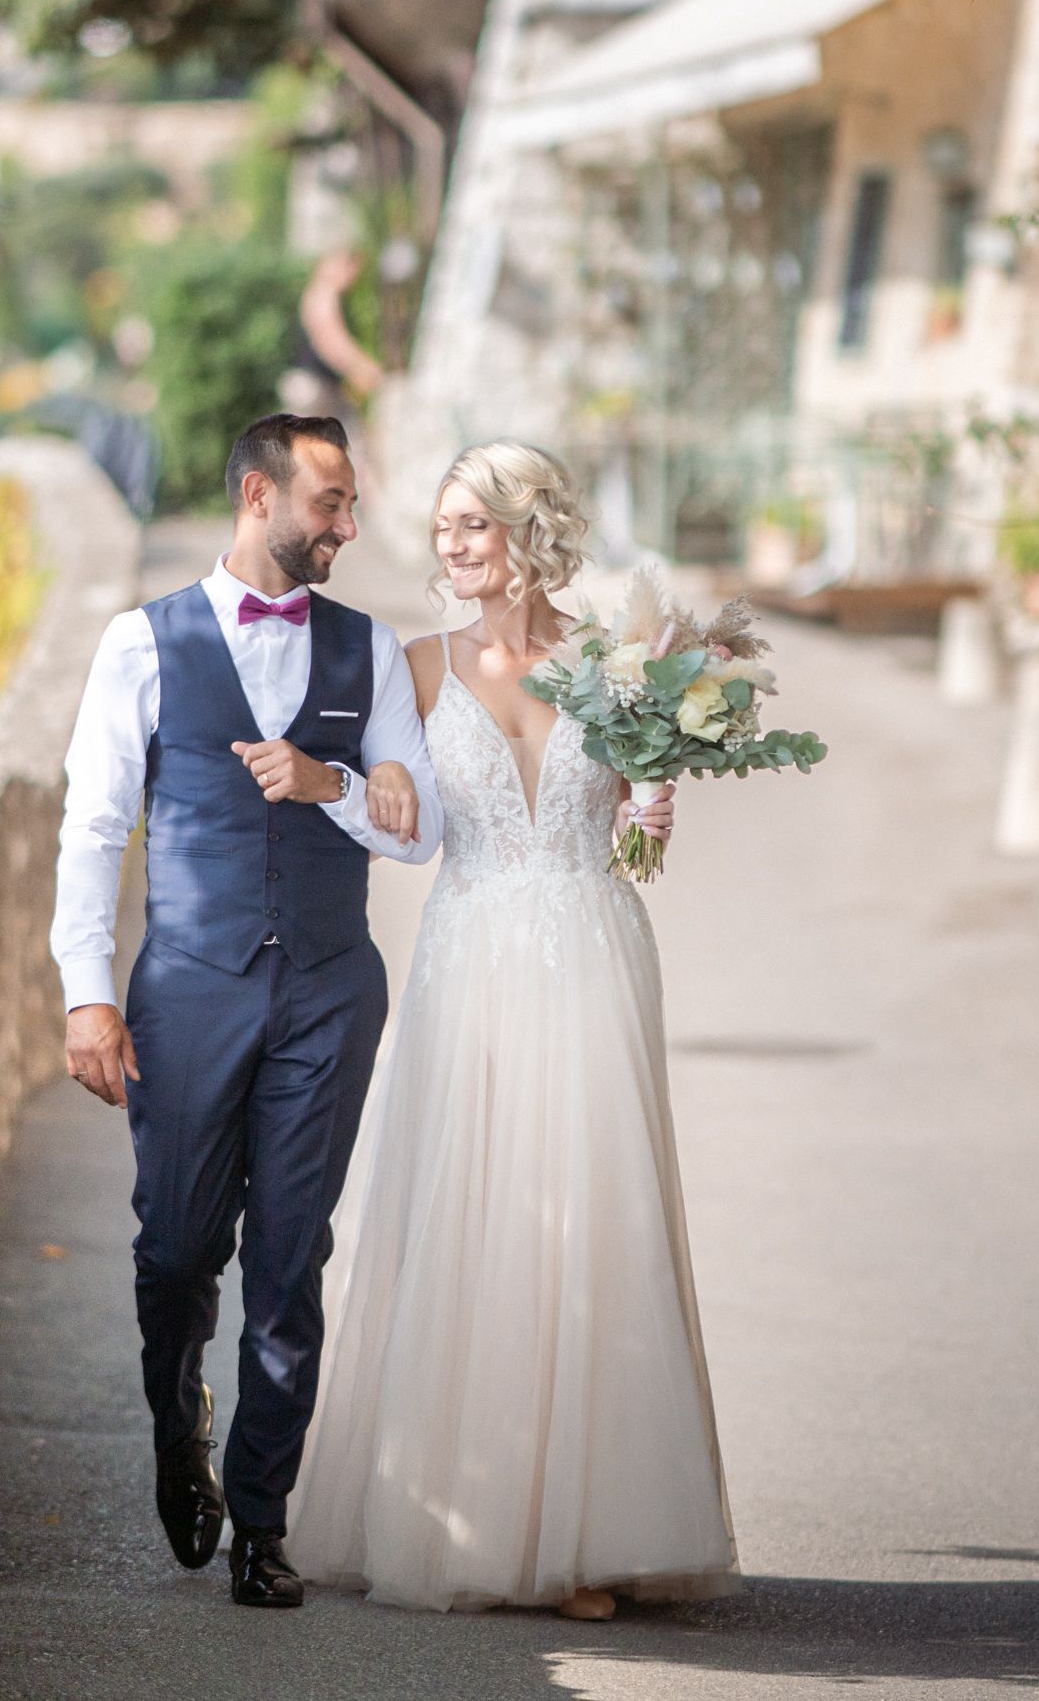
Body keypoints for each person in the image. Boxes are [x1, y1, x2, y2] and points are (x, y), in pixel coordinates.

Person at [291, 440, 738, 1615]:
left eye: (472, 525)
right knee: (479, 1210)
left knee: (593, 1217)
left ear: (528, 529)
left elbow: (643, 837)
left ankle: (586, 1533)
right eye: (442, 527)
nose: (451, 545)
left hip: (595, 944)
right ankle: (480, 1521)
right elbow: (408, 830)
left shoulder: (619, 665)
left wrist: (652, 805)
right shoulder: (414, 665)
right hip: (472, 949)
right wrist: (334, 789)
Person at [51, 413, 441, 1610]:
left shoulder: (367, 651)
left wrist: (331, 784)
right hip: (190, 992)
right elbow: (95, 827)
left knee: (288, 1262)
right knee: (175, 1253)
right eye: (329, 503)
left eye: (351, 504)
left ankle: (264, 1523)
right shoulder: (143, 641)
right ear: (259, 495)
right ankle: (183, 1426)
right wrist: (88, 997)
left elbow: (415, 826)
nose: (347, 526)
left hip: (330, 990)